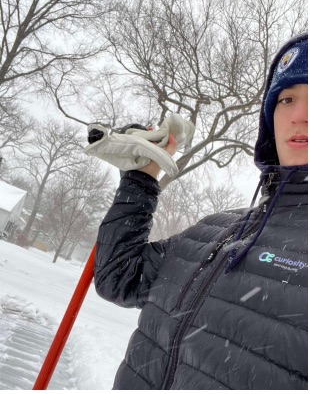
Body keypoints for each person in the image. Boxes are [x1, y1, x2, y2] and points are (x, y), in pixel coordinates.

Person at [93, 33, 308, 390]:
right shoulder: (216, 229)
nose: (299, 115)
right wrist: (140, 178)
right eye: (286, 98)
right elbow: (120, 279)